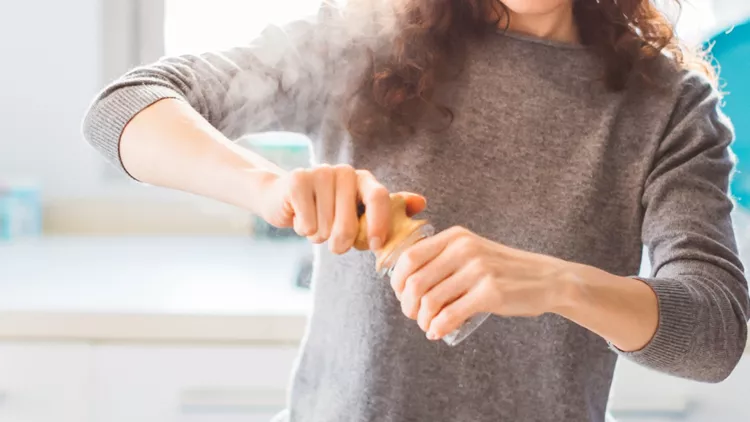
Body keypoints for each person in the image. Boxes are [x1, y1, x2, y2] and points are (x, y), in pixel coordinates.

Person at [82, 0, 750, 421]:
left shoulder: (667, 105)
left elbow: (715, 336)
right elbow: (123, 108)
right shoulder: (364, 42)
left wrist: (558, 283)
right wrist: (273, 190)